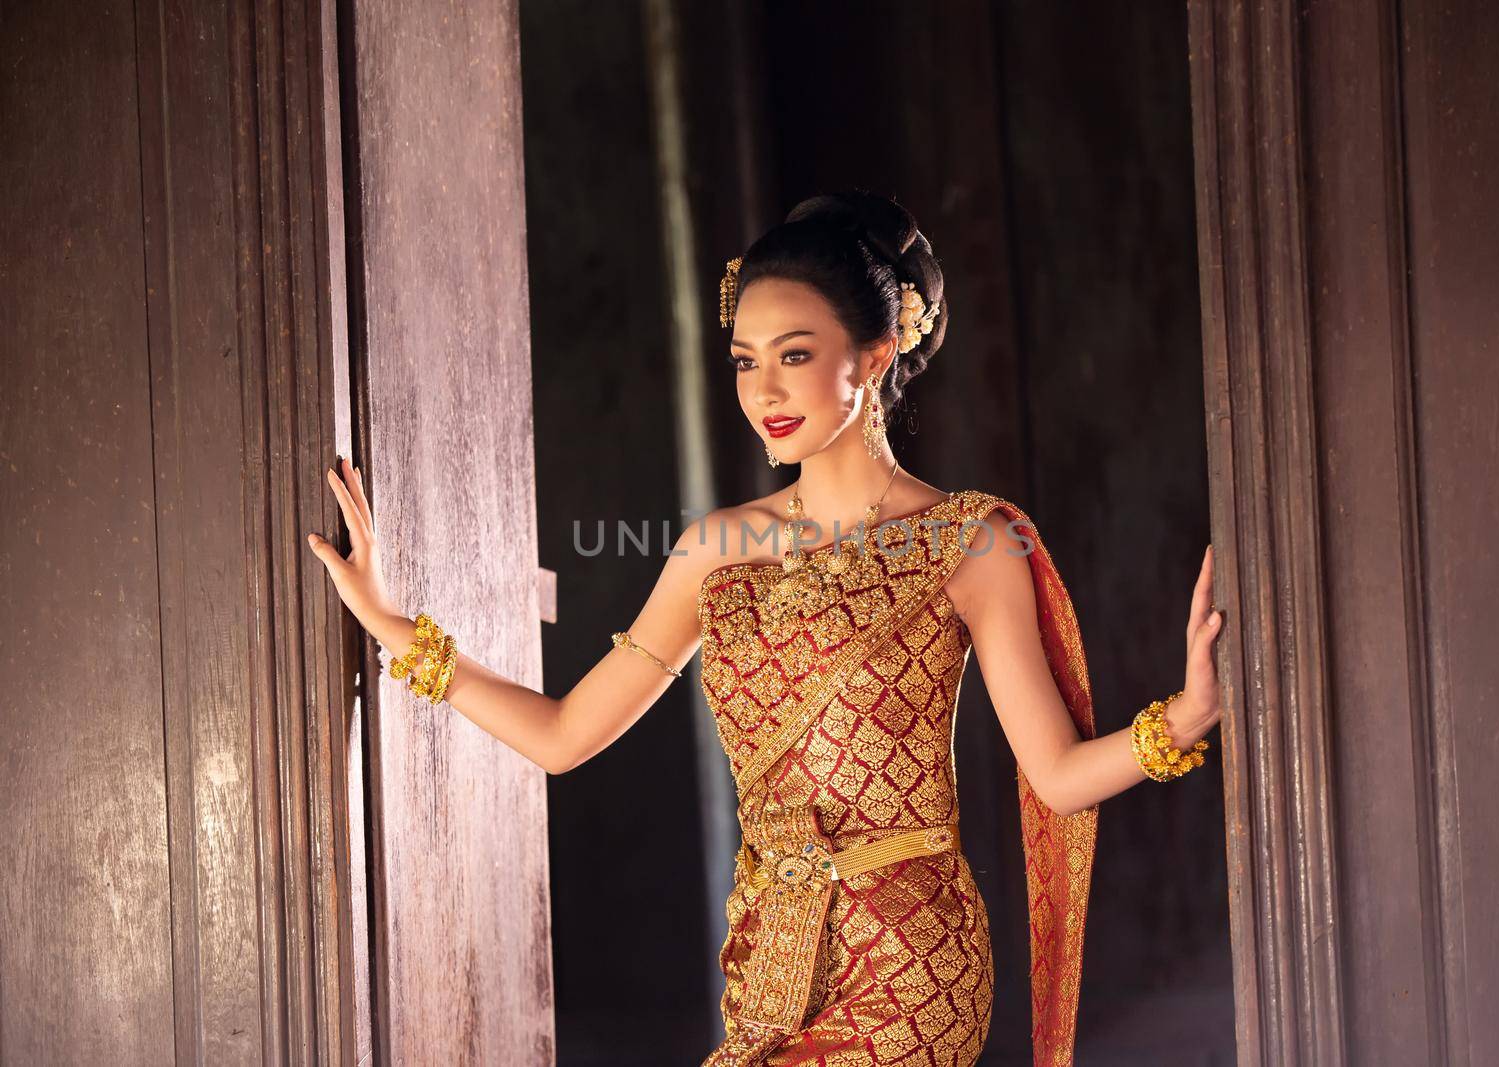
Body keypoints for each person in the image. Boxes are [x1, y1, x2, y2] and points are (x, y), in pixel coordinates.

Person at [307, 190, 1223, 1065]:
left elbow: (1057, 778)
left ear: (873, 353)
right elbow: (562, 737)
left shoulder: (968, 541)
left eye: (794, 354)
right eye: (746, 359)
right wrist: (393, 628)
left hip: (912, 963)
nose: (763, 390)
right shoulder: (718, 549)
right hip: (770, 964)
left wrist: (1176, 721)